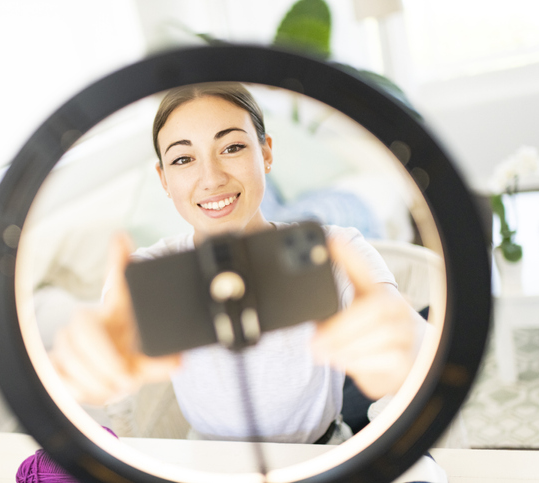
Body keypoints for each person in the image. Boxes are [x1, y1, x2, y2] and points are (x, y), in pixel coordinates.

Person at [49, 83, 426, 444]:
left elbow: (419, 350)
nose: (211, 178)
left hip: (325, 455)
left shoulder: (338, 250)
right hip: (209, 466)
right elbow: (116, 338)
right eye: (183, 159)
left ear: (266, 153)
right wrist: (93, 367)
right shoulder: (147, 273)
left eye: (231, 148)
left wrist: (405, 352)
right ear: (164, 180)